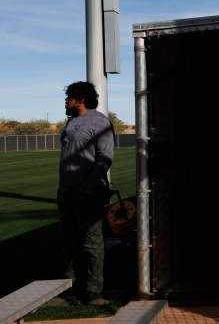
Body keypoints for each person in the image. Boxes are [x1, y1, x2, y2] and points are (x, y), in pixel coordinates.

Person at [57, 81, 115, 306]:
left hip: (88, 193)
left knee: (91, 242)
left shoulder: (99, 121)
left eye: (70, 97)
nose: (66, 100)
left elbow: (105, 156)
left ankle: (94, 292)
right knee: (69, 241)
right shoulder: (72, 122)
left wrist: (89, 185)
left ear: (80, 99)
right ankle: (71, 287)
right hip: (66, 193)